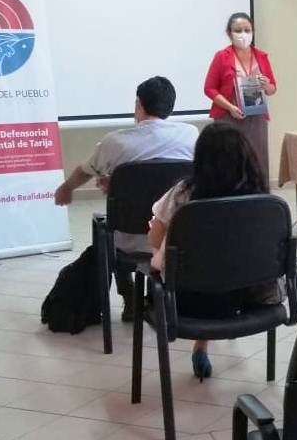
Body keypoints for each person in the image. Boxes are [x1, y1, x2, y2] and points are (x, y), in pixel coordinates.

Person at [53, 76, 197, 319]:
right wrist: (120, 183)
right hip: (175, 238)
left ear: (139, 104)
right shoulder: (191, 135)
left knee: (108, 227)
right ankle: (157, 294)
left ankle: (129, 295)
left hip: (130, 240)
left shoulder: (115, 142)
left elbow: (84, 172)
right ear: (171, 106)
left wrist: (66, 188)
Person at [146, 122, 278, 380]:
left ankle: (202, 343)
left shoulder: (182, 195)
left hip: (190, 301)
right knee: (224, 262)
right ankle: (202, 345)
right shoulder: (263, 200)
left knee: (183, 260)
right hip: (251, 296)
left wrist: (157, 233)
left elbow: (154, 237)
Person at [203, 12, 277, 179]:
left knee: (257, 160)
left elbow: (273, 88)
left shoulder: (261, 56)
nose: (243, 34)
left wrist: (267, 86)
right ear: (229, 33)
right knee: (229, 161)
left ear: (253, 31)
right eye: (238, 30)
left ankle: (259, 198)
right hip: (229, 116)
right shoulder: (222, 57)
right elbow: (209, 88)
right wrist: (230, 107)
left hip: (257, 116)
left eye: (247, 29)